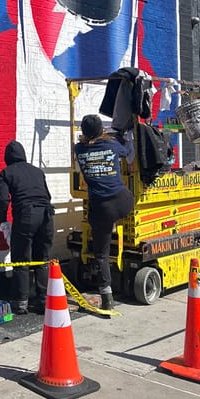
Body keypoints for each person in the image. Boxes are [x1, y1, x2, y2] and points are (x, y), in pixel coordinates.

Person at [74, 114, 135, 311]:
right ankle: (117, 223)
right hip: (124, 201)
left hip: (101, 207)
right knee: (126, 201)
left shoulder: (79, 149)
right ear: (102, 130)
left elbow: (87, 143)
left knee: (101, 252)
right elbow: (127, 151)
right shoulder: (112, 145)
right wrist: (122, 137)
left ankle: (106, 294)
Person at [0, 140, 54, 314]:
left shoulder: (7, 173)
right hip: (47, 215)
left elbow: (3, 199)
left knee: (21, 260)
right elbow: (47, 195)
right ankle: (43, 301)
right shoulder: (37, 171)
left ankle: (21, 303)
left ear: (7, 157)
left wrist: (2, 220)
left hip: (26, 215)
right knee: (42, 260)